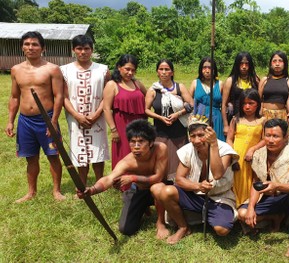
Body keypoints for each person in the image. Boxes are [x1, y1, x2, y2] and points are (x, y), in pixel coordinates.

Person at [151, 115, 238, 244]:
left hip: (219, 198)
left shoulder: (224, 149)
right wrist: (198, 186)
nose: (196, 140)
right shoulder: (187, 150)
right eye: (192, 136)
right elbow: (179, 180)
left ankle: (207, 217)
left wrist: (213, 145)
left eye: (201, 135)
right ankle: (183, 227)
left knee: (222, 230)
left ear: (210, 134)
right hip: (194, 195)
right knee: (165, 191)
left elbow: (218, 174)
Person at [76, 119, 169, 238]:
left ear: (150, 143)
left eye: (141, 142)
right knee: (126, 229)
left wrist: (133, 178)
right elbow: (109, 178)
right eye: (132, 142)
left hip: (158, 188)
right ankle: (140, 205)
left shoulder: (161, 149)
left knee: (158, 187)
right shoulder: (127, 161)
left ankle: (160, 223)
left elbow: (158, 177)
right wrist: (92, 190)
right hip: (139, 190)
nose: (136, 146)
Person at [238, 119, 289, 257]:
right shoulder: (259, 153)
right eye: (267, 135)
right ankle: (275, 216)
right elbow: (256, 183)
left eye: (276, 136)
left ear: (286, 137)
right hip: (268, 197)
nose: (270, 140)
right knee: (243, 214)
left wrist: (277, 186)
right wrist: (250, 207)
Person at [5, 31, 65, 203]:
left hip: (47, 118)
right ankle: (31, 192)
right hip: (25, 120)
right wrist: (10, 120)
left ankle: (56, 191)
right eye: (27, 44)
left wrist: (53, 122)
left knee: (53, 155)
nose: (30, 47)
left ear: (42, 48)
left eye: (35, 44)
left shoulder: (52, 69)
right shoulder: (16, 70)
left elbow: (58, 96)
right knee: (31, 157)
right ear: (22, 47)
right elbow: (15, 97)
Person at [61, 35, 110, 187]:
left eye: (86, 48)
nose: (83, 52)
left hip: (97, 116)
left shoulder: (103, 69)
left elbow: (107, 95)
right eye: (79, 48)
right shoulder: (64, 70)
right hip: (75, 118)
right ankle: (82, 184)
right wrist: (76, 115)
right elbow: (64, 97)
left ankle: (99, 182)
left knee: (98, 148)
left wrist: (96, 115)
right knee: (79, 148)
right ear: (73, 50)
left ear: (92, 50)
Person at [145, 59, 193, 182]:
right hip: (161, 132)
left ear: (172, 72)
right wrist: (160, 117)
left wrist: (178, 114)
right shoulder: (153, 90)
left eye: (167, 69)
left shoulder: (179, 87)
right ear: (157, 72)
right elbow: (146, 110)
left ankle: (179, 184)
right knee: (162, 159)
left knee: (179, 158)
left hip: (179, 132)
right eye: (161, 69)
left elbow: (191, 105)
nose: (164, 72)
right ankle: (162, 183)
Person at [103, 54, 147, 169]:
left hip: (139, 124)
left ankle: (139, 181)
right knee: (124, 150)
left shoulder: (137, 83)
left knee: (140, 150)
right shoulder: (112, 84)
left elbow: (148, 97)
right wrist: (113, 130)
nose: (130, 73)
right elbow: (106, 108)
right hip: (122, 124)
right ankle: (123, 182)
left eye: (133, 70)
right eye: (127, 69)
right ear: (119, 67)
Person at [226, 89, 265, 207]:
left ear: (257, 104)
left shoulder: (262, 120)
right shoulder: (235, 119)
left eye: (251, 103)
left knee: (251, 180)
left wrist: (253, 149)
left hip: (252, 157)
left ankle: (248, 205)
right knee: (236, 179)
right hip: (237, 157)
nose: (247, 107)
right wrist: (233, 157)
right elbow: (229, 139)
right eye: (244, 103)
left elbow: (264, 140)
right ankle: (235, 205)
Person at [222, 52, 260, 136]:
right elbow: (223, 104)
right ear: (237, 64)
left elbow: (260, 99)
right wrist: (225, 125)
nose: (244, 67)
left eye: (246, 64)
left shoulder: (255, 80)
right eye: (241, 64)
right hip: (235, 119)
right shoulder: (230, 81)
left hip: (253, 120)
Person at [190, 57, 225, 141]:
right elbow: (188, 101)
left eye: (210, 68)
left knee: (216, 144)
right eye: (204, 67)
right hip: (199, 117)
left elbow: (225, 104)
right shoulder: (195, 83)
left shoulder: (220, 84)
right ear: (201, 69)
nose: (207, 70)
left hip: (216, 119)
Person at [258, 51, 289, 122]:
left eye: (280, 61)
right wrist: (260, 113)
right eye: (274, 61)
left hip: (282, 115)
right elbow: (259, 99)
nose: (277, 64)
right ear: (270, 64)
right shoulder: (265, 80)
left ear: (285, 64)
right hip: (265, 115)